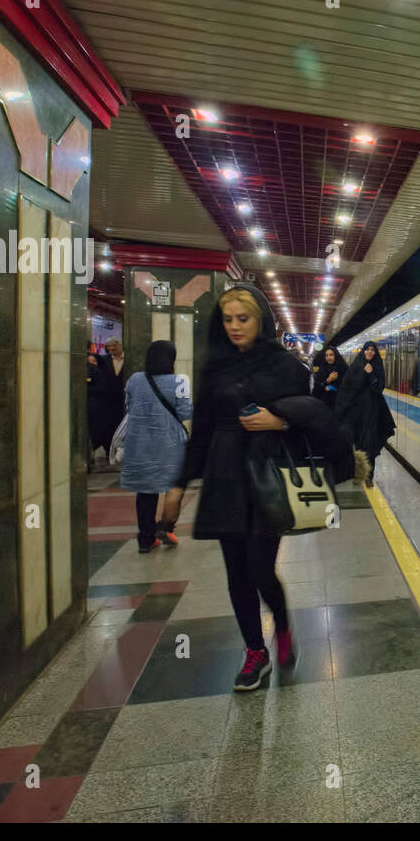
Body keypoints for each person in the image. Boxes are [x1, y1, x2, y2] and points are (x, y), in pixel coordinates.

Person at [173, 284, 311, 691]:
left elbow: (315, 417)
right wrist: (179, 484)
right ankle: (255, 651)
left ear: (260, 320)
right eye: (228, 319)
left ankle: (282, 624)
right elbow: (202, 430)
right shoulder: (215, 368)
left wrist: (281, 421)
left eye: (243, 319)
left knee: (258, 567)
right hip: (224, 475)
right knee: (236, 572)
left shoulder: (286, 366)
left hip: (266, 474)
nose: (235, 327)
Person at [119, 340, 192, 552]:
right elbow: (186, 412)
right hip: (170, 442)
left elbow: (129, 406)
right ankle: (167, 527)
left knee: (145, 491)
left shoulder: (135, 379)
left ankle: (146, 539)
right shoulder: (179, 381)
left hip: (140, 442)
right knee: (174, 486)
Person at [336, 341, 396, 488]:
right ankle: (357, 474)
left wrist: (370, 375)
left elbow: (379, 388)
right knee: (356, 445)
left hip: (372, 413)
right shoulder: (355, 367)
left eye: (372, 350)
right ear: (363, 351)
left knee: (370, 444)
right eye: (367, 350)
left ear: (375, 353)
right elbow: (347, 390)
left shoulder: (377, 368)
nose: (369, 352)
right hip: (355, 413)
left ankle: (369, 477)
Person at [88, 337, 128, 465]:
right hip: (108, 402)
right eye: (109, 346)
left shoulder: (130, 359)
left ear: (121, 346)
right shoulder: (104, 360)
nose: (111, 349)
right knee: (107, 428)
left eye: (114, 346)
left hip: (124, 401)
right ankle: (109, 453)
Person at [313, 345, 347, 411]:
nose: (328, 358)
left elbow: (348, 385)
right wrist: (328, 381)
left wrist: (335, 387)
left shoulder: (343, 368)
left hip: (340, 403)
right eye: (326, 355)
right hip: (324, 404)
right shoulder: (322, 370)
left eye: (331, 355)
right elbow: (316, 389)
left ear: (336, 356)